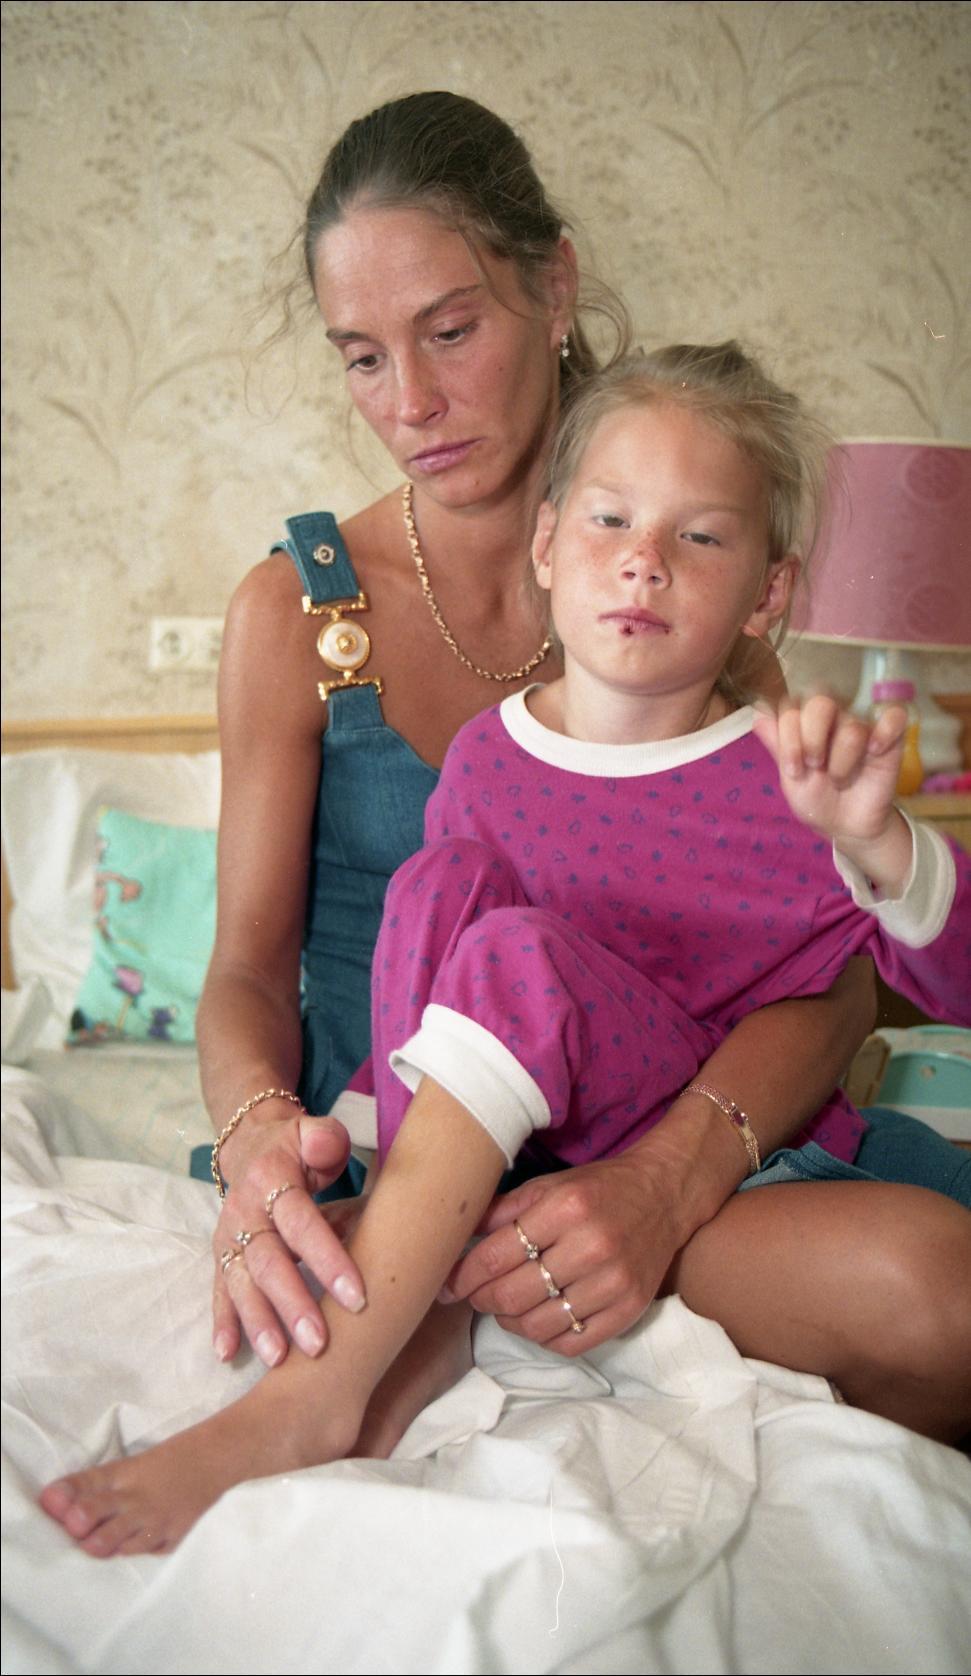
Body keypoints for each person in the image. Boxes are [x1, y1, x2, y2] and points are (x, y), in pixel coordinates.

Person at [40, 337, 971, 1555]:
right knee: (450, 891)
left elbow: (939, 981)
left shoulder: (786, 773)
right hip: (512, 1175)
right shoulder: (485, 757)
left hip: (734, 1180)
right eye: (609, 519)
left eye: (699, 536)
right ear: (545, 545)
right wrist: (356, 1150)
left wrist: (882, 843)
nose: (642, 559)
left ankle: (399, 1311)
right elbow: (430, 984)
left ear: (766, 593)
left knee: (939, 1285)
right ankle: (354, 1351)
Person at [184, 92, 876, 1417]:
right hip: (391, 1172)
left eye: (449, 331)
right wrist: (254, 1133)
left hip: (632, 1164)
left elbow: (829, 980)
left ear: (553, 287)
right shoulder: (295, 613)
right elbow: (243, 975)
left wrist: (665, 1182)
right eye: (362, 357)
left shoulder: (688, 593)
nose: (411, 403)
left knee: (932, 1295)